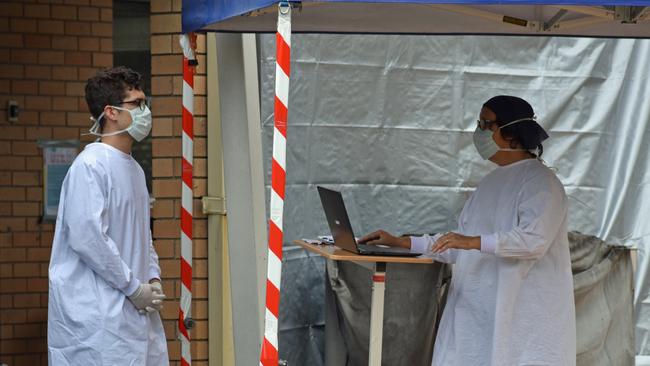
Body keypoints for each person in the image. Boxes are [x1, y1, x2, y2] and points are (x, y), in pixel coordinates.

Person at [360, 96, 576, 366]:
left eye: (487, 124)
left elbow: (533, 242)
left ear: (511, 134)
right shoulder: (489, 182)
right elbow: (456, 244)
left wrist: (472, 242)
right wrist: (400, 242)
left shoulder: (542, 183)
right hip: (475, 314)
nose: (479, 132)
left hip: (521, 319)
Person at [48, 66, 169, 365]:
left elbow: (143, 234)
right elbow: (89, 238)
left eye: (145, 103)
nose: (145, 111)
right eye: (137, 104)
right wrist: (132, 286)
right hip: (97, 318)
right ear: (111, 112)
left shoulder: (135, 170)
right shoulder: (90, 166)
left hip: (134, 310)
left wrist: (152, 276)